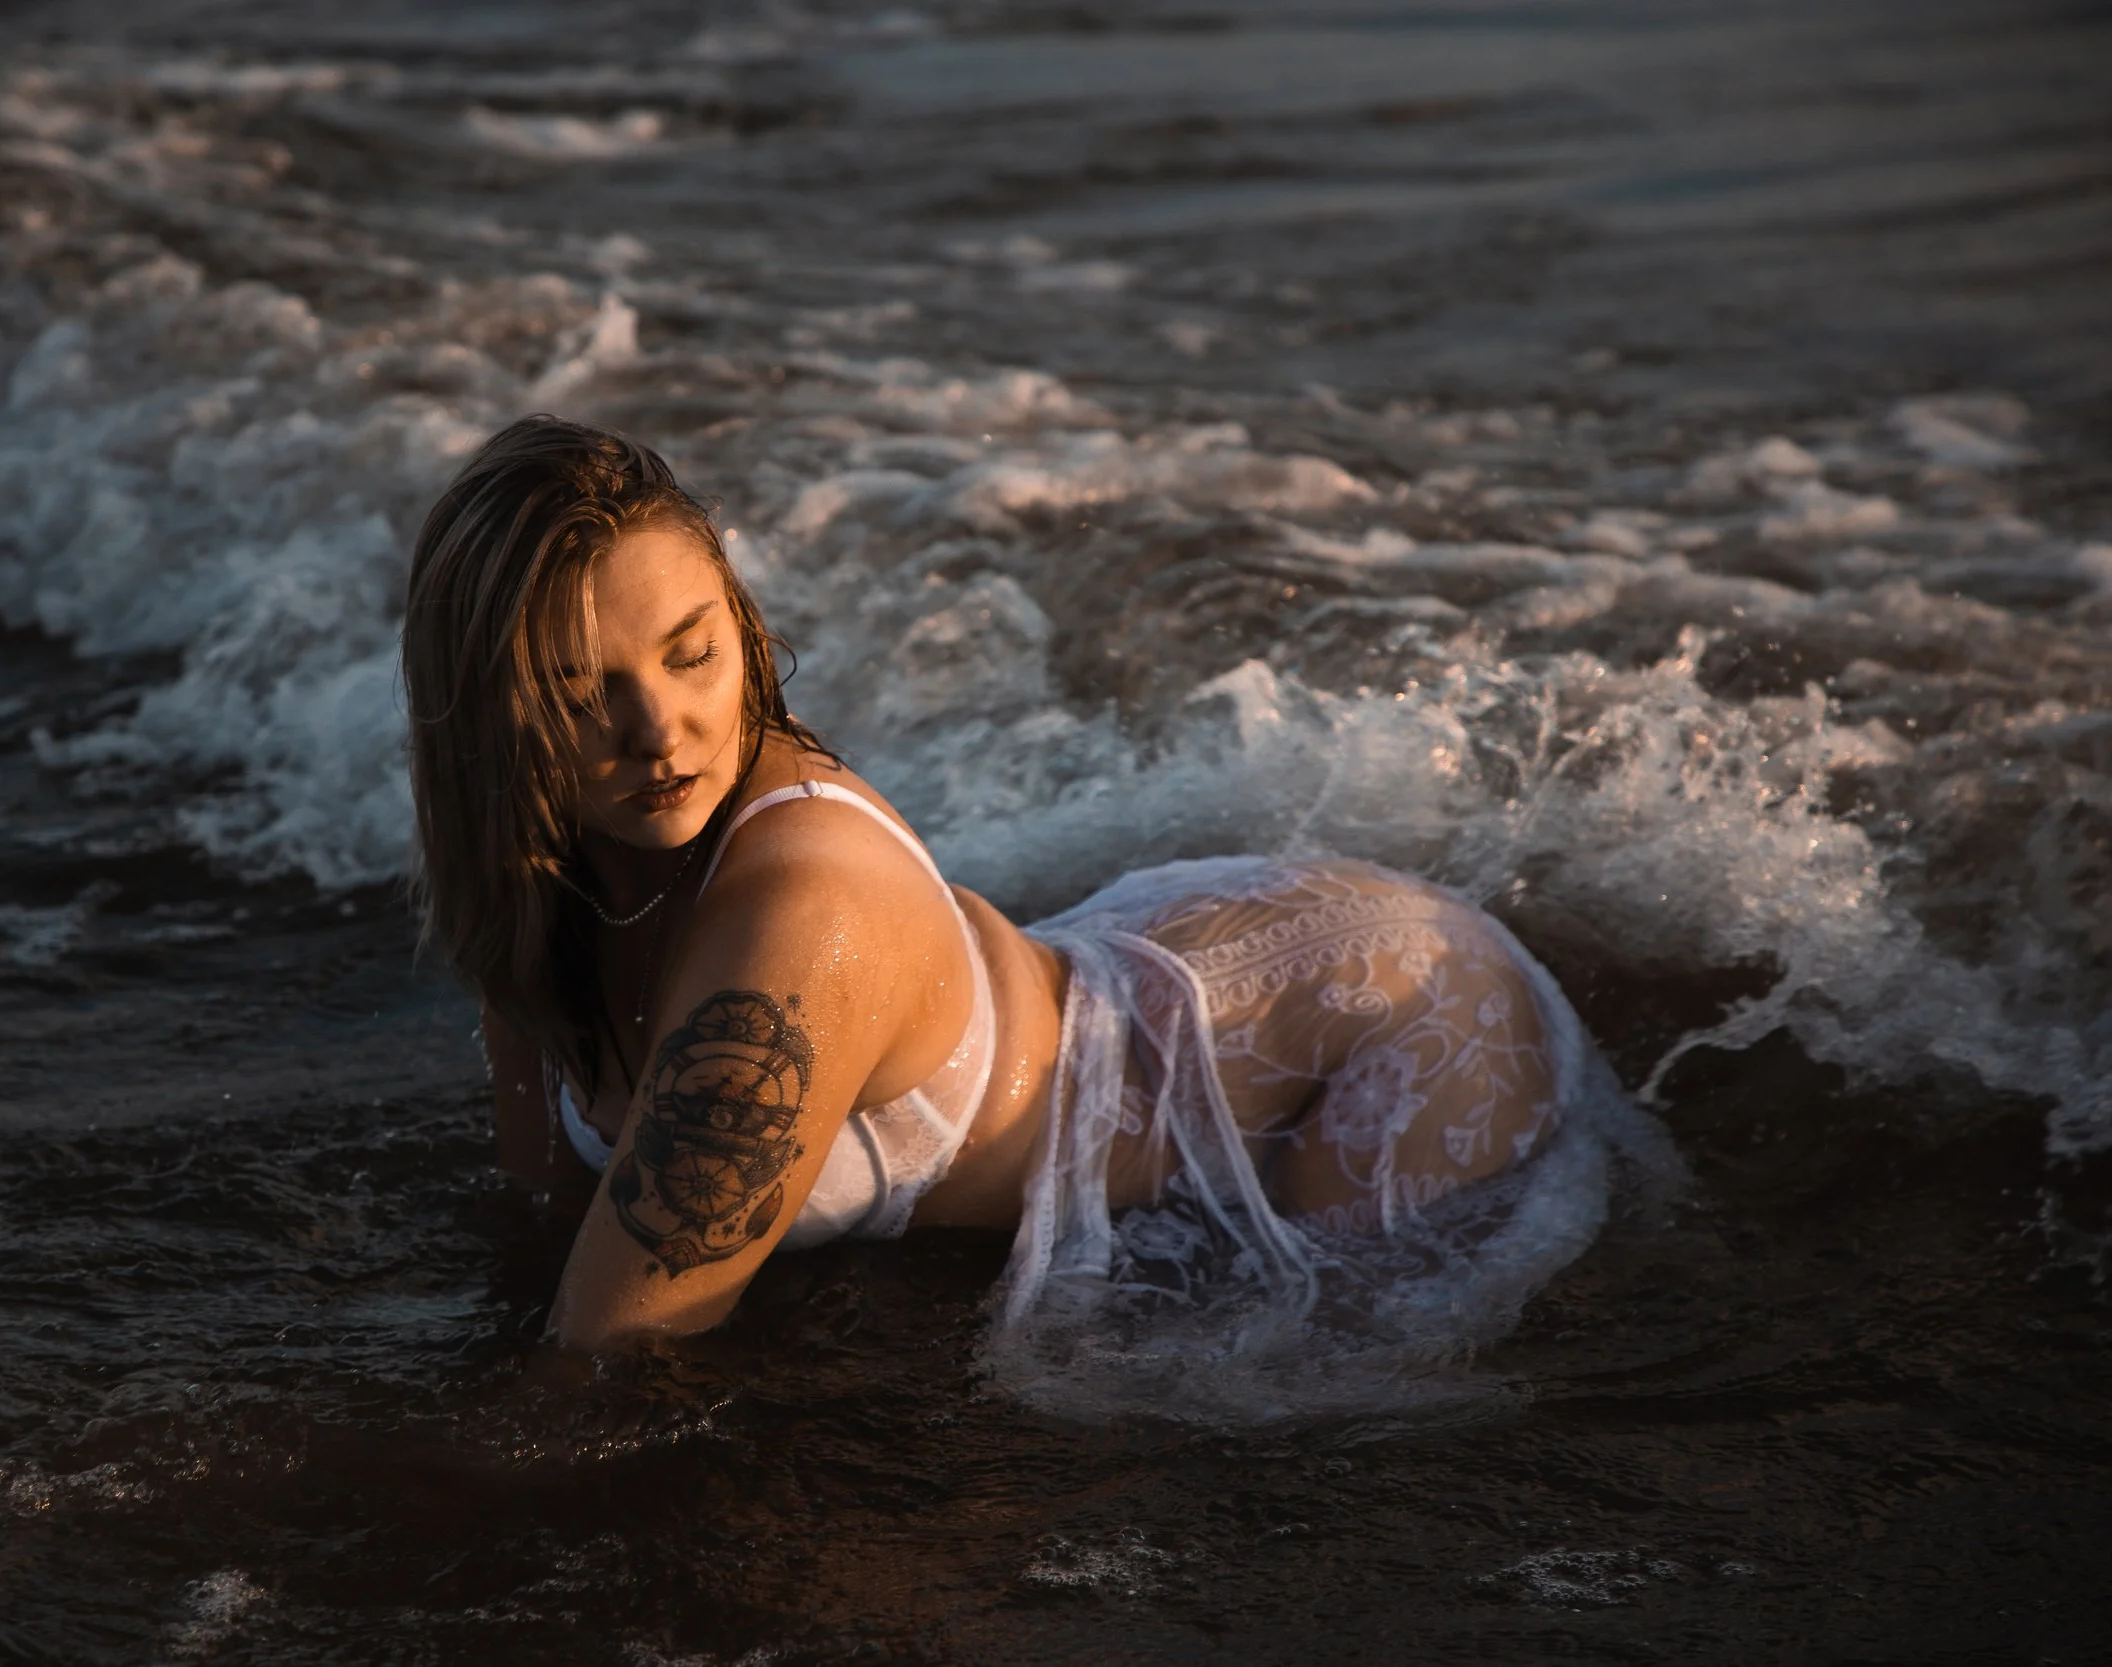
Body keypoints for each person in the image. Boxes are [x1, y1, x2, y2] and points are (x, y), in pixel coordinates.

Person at [402, 416, 1654, 1400]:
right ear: (493, 720)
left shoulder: (805, 911)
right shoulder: (533, 866)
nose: (659, 730)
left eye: (691, 653)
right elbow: (541, 1218)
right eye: (578, 693)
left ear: (741, 626)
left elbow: (615, 1348)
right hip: (1154, 961)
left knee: (1301, 1399)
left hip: (1376, 1019)